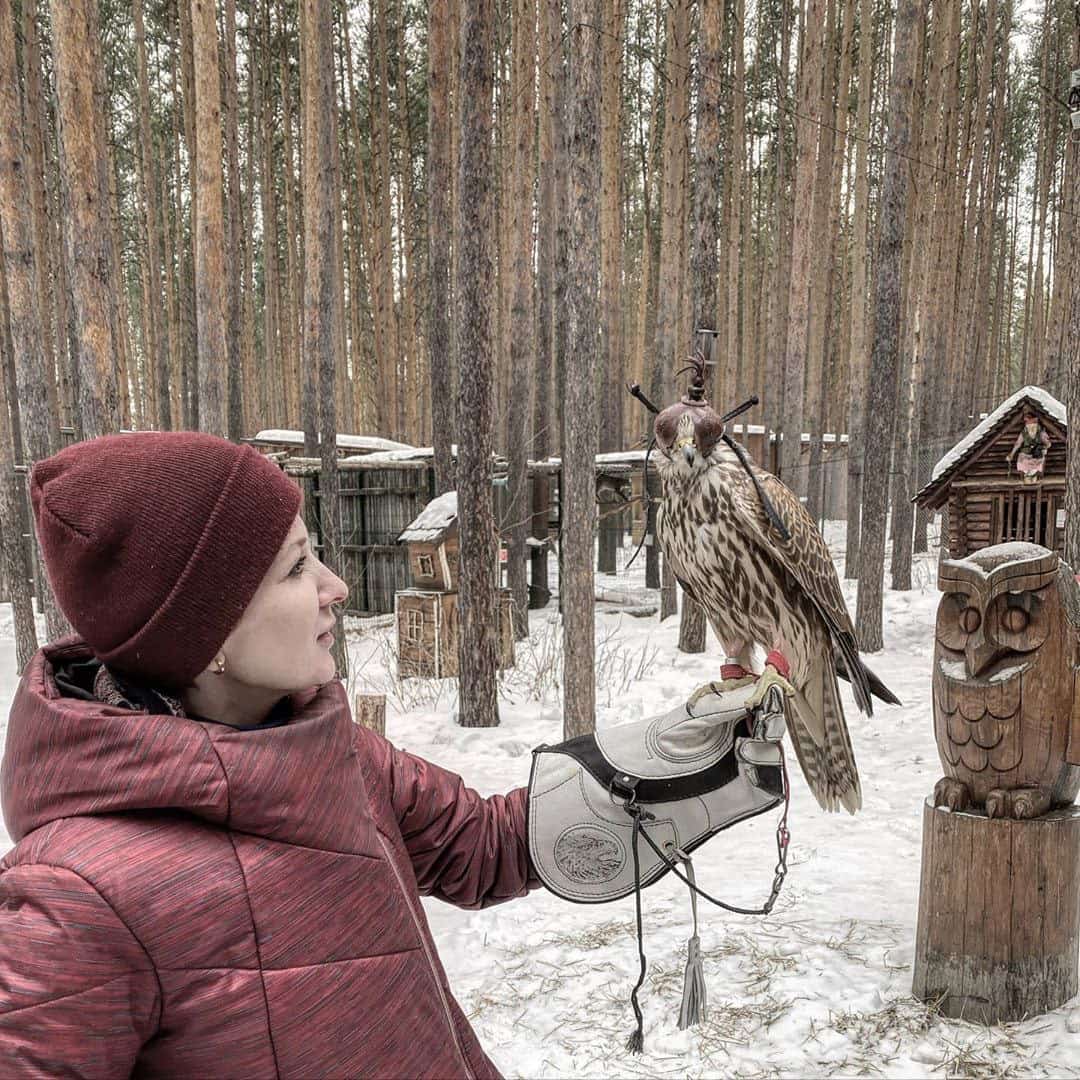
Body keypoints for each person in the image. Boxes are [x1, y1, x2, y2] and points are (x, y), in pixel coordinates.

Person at [0, 431, 540, 1078]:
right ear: (205, 633)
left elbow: (485, 845)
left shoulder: (336, 753)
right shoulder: (74, 898)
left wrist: (660, 771)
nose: (336, 586)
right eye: (295, 567)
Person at [1006, 407, 1052, 484]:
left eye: (1034, 426)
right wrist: (1011, 454)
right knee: (1022, 461)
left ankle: (1035, 477)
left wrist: (1045, 446)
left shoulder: (1041, 433)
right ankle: (1025, 477)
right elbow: (1018, 443)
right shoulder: (1024, 433)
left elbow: (1048, 444)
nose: (1032, 428)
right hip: (1026, 453)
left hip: (1037, 454)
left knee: (1039, 461)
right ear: (1026, 426)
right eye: (1029, 426)